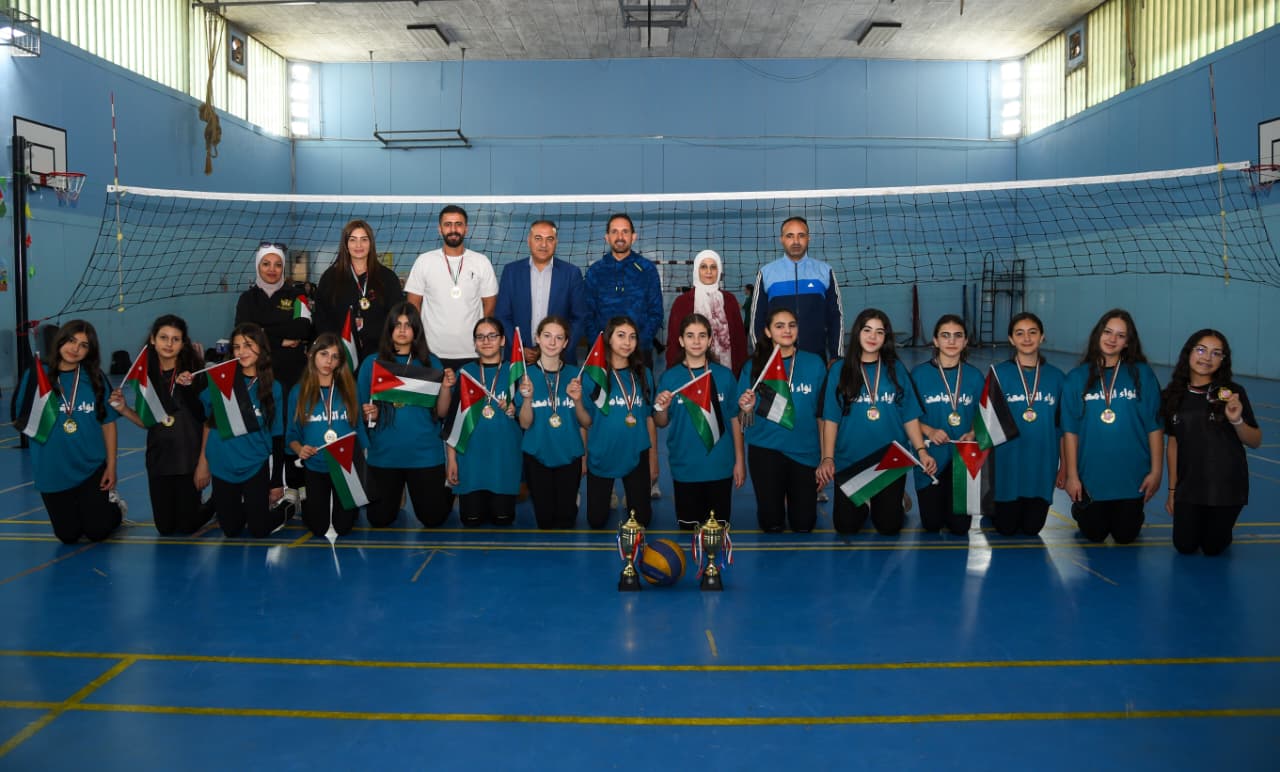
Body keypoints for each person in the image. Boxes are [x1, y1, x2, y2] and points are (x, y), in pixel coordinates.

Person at [816, 308, 935, 535]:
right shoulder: (839, 370)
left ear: (885, 338)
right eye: (867, 330)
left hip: (890, 458)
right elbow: (831, 418)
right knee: (846, 527)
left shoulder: (896, 369)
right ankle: (867, 500)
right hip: (851, 459)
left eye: (879, 332)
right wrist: (828, 458)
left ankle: (896, 497)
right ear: (857, 333)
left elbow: (909, 415)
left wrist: (922, 451)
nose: (873, 337)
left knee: (889, 527)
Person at [14, 320, 126, 544]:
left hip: (91, 467)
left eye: (84, 345)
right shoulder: (36, 375)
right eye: (71, 341)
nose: (75, 349)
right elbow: (22, 419)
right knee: (68, 535)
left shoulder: (95, 378)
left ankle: (115, 508)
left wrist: (111, 466)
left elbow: (108, 423)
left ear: (89, 351)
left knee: (97, 532)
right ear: (60, 341)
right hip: (52, 469)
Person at [1061, 309, 1162, 545]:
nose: (1112, 339)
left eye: (1120, 335)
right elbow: (1070, 432)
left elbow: (1155, 426)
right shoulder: (1076, 378)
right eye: (1107, 332)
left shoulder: (1142, 375)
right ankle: (1081, 509)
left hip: (1131, 475)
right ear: (1098, 334)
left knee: (1125, 536)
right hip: (1092, 475)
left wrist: (1156, 472)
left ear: (1127, 342)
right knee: (1095, 534)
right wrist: (1072, 476)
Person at [1161, 329, 1261, 556]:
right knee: (1184, 546)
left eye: (1216, 353)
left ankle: (1222, 528)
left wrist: (1236, 420)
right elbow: (1173, 444)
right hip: (1189, 487)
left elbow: (1255, 440)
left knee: (1212, 548)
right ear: (1188, 352)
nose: (1207, 358)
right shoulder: (1172, 395)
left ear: (1223, 360)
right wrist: (1172, 491)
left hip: (1226, 487)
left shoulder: (1232, 393)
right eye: (1201, 350)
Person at [357, 303, 456, 529]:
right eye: (397, 324)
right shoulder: (371, 364)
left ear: (416, 330)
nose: (402, 330)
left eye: (408, 325)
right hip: (384, 454)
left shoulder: (431, 363)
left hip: (424, 453)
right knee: (379, 519)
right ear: (389, 329)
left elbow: (442, 413)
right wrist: (369, 414)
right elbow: (360, 412)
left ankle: (447, 491)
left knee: (433, 519)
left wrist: (446, 387)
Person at [110, 315, 211, 536]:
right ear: (153, 339)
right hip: (159, 460)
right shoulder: (145, 376)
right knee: (165, 528)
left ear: (183, 344)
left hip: (189, 460)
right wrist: (124, 409)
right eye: (164, 337)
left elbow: (207, 421)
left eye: (176, 339)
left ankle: (217, 502)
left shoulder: (194, 374)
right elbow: (149, 422)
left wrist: (203, 463)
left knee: (187, 526)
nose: (169, 343)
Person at [736, 307, 827, 533]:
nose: (787, 330)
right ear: (768, 332)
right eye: (779, 326)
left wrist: (825, 458)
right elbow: (743, 421)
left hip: (804, 452)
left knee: (804, 525)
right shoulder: (754, 367)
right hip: (766, 450)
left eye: (791, 325)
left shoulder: (814, 364)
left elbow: (823, 416)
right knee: (772, 524)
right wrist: (747, 409)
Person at [653, 313, 745, 529]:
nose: (696, 341)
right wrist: (661, 408)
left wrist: (740, 461)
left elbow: (735, 419)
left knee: (717, 532)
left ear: (710, 340)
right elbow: (660, 422)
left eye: (702, 335)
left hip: (720, 466)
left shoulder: (724, 376)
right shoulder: (670, 378)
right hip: (685, 467)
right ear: (681, 340)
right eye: (690, 336)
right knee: (689, 529)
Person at [195, 323, 286, 538]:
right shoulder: (222, 380)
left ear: (261, 348)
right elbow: (205, 420)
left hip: (254, 463)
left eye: (248, 345)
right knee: (231, 530)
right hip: (223, 463)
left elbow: (277, 435)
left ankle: (288, 507)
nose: (242, 351)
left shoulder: (273, 387)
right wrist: (202, 463)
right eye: (236, 347)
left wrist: (276, 482)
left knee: (259, 529)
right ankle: (233, 506)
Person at [575, 316, 658, 529]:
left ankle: (633, 496)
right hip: (602, 452)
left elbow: (649, 418)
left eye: (632, 337)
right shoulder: (593, 376)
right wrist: (577, 401)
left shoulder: (644, 374)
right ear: (608, 339)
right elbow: (585, 422)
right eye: (621, 336)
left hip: (636, 452)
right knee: (596, 521)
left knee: (642, 521)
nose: (627, 342)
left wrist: (653, 459)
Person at [990, 312, 1066, 537]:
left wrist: (1064, 467)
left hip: (1042, 464)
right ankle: (993, 506)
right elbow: (987, 423)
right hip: (1007, 464)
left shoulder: (1057, 378)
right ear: (1011, 339)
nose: (1026, 338)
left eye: (1032, 332)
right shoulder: (998, 374)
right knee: (1006, 529)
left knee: (1032, 529)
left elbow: (1063, 428)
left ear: (1042, 337)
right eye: (1019, 333)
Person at [910, 315, 984, 535]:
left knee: (960, 527)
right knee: (932, 525)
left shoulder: (975, 376)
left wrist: (973, 432)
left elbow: (984, 416)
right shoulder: (919, 375)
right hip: (930, 457)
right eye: (945, 335)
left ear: (965, 341)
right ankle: (904, 499)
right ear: (935, 341)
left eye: (957, 336)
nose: (951, 341)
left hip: (962, 459)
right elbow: (907, 417)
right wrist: (929, 430)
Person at [287, 332, 366, 538]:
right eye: (324, 354)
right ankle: (304, 497)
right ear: (312, 355)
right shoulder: (298, 392)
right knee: (319, 528)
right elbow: (291, 435)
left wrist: (363, 464)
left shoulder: (350, 389)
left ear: (340, 362)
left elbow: (359, 429)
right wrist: (300, 449)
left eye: (334, 356)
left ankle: (349, 503)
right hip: (316, 465)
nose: (328, 361)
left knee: (343, 527)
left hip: (346, 466)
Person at [446, 317, 522, 527]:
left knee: (503, 520)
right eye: (480, 337)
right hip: (471, 460)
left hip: (503, 460)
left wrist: (516, 409)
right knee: (471, 521)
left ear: (503, 340)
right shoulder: (465, 373)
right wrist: (451, 459)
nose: (486, 341)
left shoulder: (516, 372)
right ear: (475, 343)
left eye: (492, 336)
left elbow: (527, 419)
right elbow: (452, 421)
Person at [405, 205, 499, 371]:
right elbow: (413, 305)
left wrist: (482, 339)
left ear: (466, 229)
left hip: (473, 351)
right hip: (431, 352)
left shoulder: (481, 262)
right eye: (448, 224)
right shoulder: (424, 261)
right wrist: (419, 342)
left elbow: (490, 306)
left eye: (458, 224)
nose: (453, 229)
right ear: (440, 229)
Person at [516, 315, 585, 529]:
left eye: (559, 337)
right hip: (537, 455)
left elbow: (586, 421)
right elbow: (524, 423)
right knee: (545, 521)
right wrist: (527, 399)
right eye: (547, 336)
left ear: (566, 343)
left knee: (566, 521)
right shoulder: (525, 376)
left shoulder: (577, 375)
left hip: (569, 455)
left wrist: (578, 400)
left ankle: (571, 500)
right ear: (537, 338)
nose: (552, 342)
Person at [749, 216, 844, 362]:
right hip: (777, 360)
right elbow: (757, 320)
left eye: (801, 235)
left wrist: (836, 356)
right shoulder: (766, 273)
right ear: (781, 239)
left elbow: (835, 317)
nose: (796, 241)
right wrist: (762, 356)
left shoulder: (825, 271)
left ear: (808, 238)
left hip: (816, 358)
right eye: (790, 236)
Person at [494, 219, 587, 365]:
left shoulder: (571, 273)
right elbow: (502, 315)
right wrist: (519, 348)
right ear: (529, 241)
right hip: (518, 359)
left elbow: (579, 318)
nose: (544, 244)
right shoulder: (511, 272)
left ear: (556, 242)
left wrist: (558, 349)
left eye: (549, 239)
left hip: (559, 359)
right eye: (538, 238)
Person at [314, 220, 404, 363]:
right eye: (353, 240)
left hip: (379, 356)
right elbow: (321, 318)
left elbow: (397, 316)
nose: (358, 245)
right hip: (340, 357)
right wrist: (331, 349)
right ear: (345, 244)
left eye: (364, 239)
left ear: (371, 243)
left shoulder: (388, 278)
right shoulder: (330, 278)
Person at [582, 214, 664, 367]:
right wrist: (600, 344)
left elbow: (656, 313)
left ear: (634, 237)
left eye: (625, 231)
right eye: (614, 232)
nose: (620, 237)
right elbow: (586, 314)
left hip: (639, 353)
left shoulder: (647, 269)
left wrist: (637, 343)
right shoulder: (595, 271)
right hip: (601, 353)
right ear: (607, 237)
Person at [234, 242, 312, 396]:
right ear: (258, 266)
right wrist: (281, 340)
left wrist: (263, 331)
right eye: (266, 264)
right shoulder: (247, 299)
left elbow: (303, 329)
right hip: (258, 371)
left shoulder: (297, 295)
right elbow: (244, 335)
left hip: (292, 371)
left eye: (278, 265)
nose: (272, 269)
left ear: (283, 268)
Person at [665, 250, 748, 377]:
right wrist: (672, 374)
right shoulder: (682, 302)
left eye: (713, 267)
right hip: (689, 374)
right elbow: (674, 341)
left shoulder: (729, 300)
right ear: (696, 270)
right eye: (703, 267)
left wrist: (743, 374)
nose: (709, 271)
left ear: (719, 270)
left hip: (727, 373)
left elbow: (739, 340)